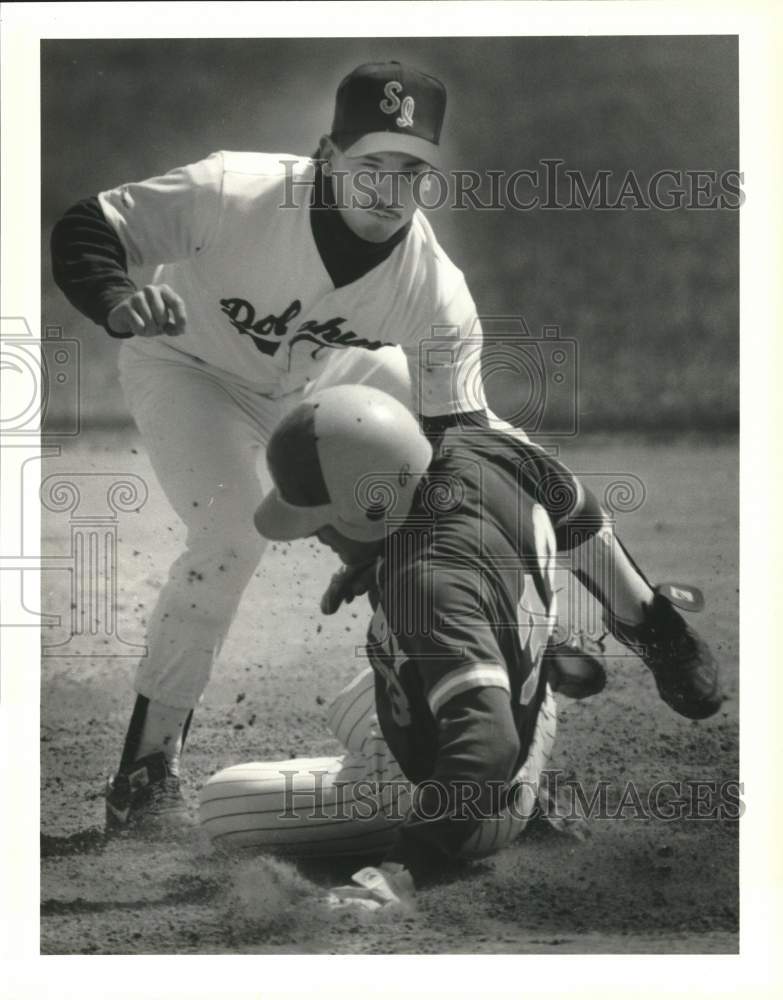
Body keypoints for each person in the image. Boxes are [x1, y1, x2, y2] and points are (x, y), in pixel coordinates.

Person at [50, 60, 721, 836]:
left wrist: (420, 537)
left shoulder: (430, 286)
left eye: (410, 171)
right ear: (326, 156)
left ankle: (638, 626)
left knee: (500, 456)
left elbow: (470, 455)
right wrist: (116, 299)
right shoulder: (234, 190)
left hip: (331, 380)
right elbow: (90, 226)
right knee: (229, 533)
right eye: (371, 165)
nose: (388, 188)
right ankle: (147, 766)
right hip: (187, 369)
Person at [200, 384, 574, 908]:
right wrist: (378, 560)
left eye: (322, 519)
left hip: (480, 794)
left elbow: (490, 743)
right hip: (532, 708)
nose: (314, 534)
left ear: (366, 509)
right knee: (350, 707)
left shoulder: (426, 584)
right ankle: (522, 797)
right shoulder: (471, 469)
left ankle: (476, 820)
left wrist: (403, 869)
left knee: (220, 803)